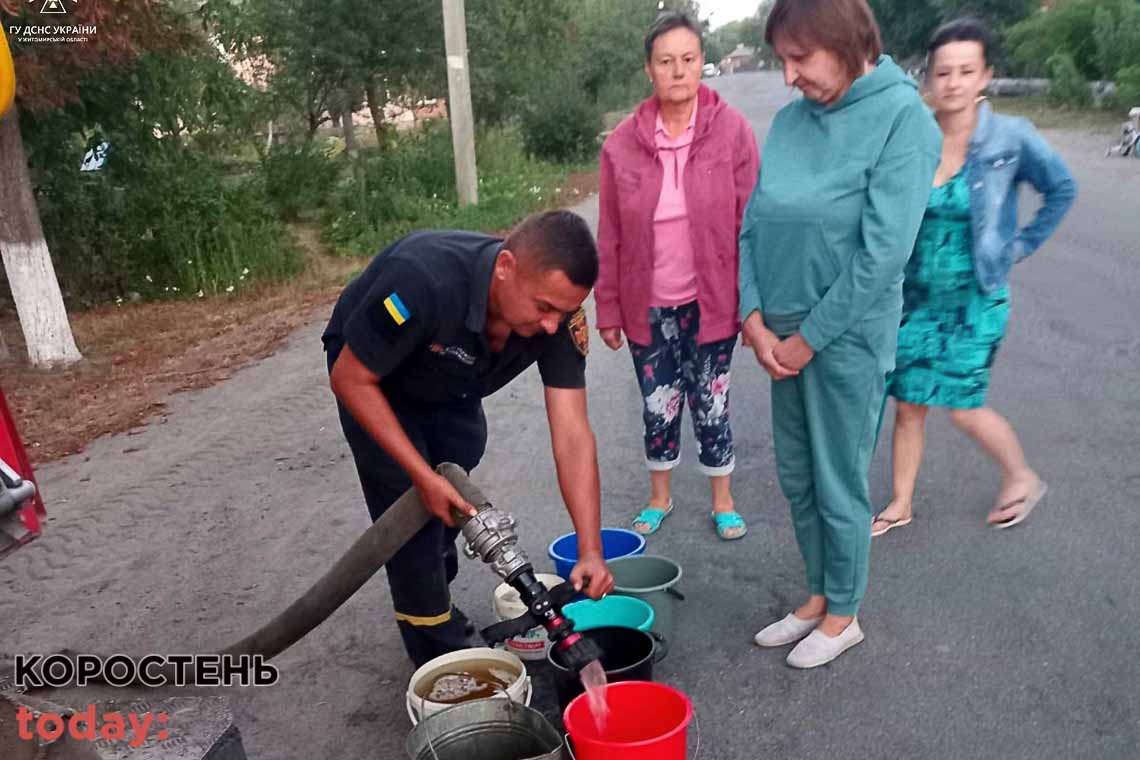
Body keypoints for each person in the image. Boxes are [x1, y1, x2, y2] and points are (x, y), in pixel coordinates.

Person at [321, 210, 615, 667]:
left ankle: (435, 588)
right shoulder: (424, 278)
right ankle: (440, 655)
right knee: (410, 519)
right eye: (543, 308)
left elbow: (573, 434)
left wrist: (590, 549)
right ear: (505, 268)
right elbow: (351, 378)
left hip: (452, 379)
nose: (554, 325)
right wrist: (421, 477)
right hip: (376, 375)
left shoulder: (557, 316)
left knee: (456, 477)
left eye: (565, 310)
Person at [740, 0, 941, 667]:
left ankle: (845, 611)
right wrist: (753, 316)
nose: (789, 77)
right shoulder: (792, 122)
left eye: (800, 58)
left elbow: (883, 255)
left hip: (845, 339)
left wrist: (807, 339)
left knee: (838, 480)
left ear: (846, 42)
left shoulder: (902, 120)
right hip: (780, 338)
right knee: (797, 477)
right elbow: (753, 221)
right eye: (782, 61)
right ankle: (818, 596)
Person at [872, 18, 1077, 538]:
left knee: (963, 406)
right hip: (915, 297)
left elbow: (1061, 189)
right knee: (910, 404)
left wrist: (1022, 245)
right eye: (944, 72)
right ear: (929, 77)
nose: (954, 82)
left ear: (985, 75)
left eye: (966, 70)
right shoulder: (913, 133)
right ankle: (900, 503)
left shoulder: (1011, 137)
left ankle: (1022, 476)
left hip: (976, 299)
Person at [595, 12, 759, 541]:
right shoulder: (621, 144)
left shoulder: (730, 130)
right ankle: (659, 497)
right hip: (650, 303)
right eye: (666, 62)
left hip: (712, 301)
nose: (679, 71)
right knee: (658, 404)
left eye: (688, 59)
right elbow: (610, 233)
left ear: (701, 62)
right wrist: (609, 308)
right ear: (649, 70)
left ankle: (723, 500)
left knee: (711, 400)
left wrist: (754, 304)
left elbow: (751, 222)